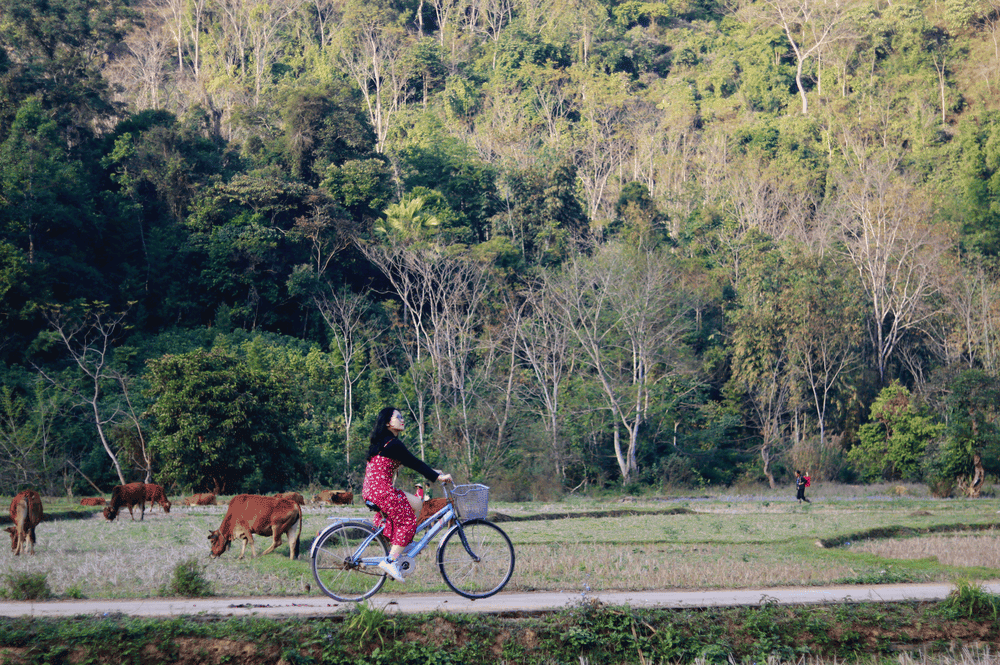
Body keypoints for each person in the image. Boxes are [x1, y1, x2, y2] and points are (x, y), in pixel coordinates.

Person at [362, 406, 452, 582]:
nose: (402, 420)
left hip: (374, 491)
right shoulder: (393, 444)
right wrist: (438, 477)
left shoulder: (384, 443)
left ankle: (402, 542)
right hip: (382, 492)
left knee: (418, 504)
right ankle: (391, 560)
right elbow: (415, 463)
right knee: (407, 521)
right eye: (398, 417)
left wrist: (434, 472)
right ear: (388, 422)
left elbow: (411, 463)